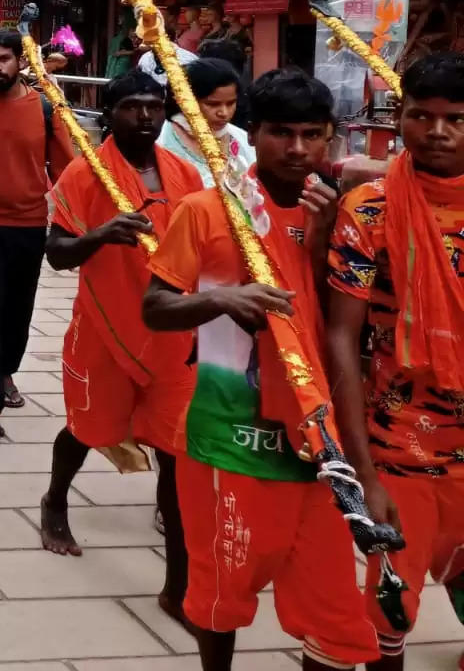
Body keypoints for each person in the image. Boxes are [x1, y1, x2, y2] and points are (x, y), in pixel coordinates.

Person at [143, 69, 378, 671]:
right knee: (222, 593)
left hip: (319, 446)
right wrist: (220, 299)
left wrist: (324, 238)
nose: (297, 149)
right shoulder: (205, 210)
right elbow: (156, 306)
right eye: (280, 133)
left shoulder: (343, 215)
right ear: (254, 133)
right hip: (229, 439)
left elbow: (343, 329)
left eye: (311, 134)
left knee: (335, 612)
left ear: (330, 138)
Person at [38, 71, 203, 624]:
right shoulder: (86, 173)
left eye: (154, 107)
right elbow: (57, 253)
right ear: (110, 114)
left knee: (175, 454)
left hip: (173, 334)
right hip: (106, 328)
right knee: (86, 430)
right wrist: (100, 235)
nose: (146, 117)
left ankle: (177, 586)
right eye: (132, 107)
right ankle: (56, 499)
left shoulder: (184, 174)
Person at [326, 52, 464, 668]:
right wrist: (363, 473)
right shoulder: (371, 210)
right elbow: (341, 340)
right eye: (422, 116)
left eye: (456, 119)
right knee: (389, 606)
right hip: (399, 440)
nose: (437, 131)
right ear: (398, 116)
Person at [0, 27, 74, 446]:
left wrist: (74, 223)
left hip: (30, 227)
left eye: (3, 59)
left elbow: (68, 171)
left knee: (19, 312)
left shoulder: (45, 108)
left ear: (20, 61)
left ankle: (7, 369)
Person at [156, 56, 254, 188]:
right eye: (212, 104)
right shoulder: (160, 141)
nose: (224, 113)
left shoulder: (243, 140)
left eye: (231, 103)